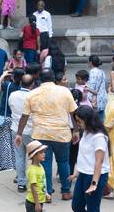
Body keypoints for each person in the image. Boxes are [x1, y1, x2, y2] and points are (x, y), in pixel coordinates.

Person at [15, 69, 77, 200]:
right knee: (64, 162)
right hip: (62, 133)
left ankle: (47, 192)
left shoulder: (32, 94)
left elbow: (24, 116)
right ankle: (66, 191)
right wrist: (76, 130)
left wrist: (19, 133)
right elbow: (73, 113)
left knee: (46, 163)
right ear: (54, 78)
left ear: (39, 79)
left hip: (41, 133)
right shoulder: (65, 91)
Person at [68, 106, 109, 212]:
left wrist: (94, 184)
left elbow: (98, 161)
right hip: (84, 174)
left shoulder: (99, 137)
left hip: (95, 176)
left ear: (88, 120)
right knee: (76, 205)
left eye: (79, 121)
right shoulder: (85, 132)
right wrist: (75, 173)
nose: (78, 124)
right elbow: (84, 156)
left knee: (92, 210)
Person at [9, 72, 36, 193]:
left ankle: (21, 183)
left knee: (19, 157)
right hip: (31, 131)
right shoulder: (34, 96)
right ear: (32, 84)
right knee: (35, 157)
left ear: (21, 83)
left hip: (16, 130)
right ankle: (34, 181)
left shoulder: (13, 95)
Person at [0, 70, 19, 172]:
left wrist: (3, 75)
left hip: (5, 116)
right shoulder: (21, 87)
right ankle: (13, 163)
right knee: (13, 142)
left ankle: (8, 165)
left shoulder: (8, 85)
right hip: (16, 118)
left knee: (4, 141)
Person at [24, 141, 49, 212]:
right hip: (33, 202)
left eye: (44, 152)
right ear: (34, 155)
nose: (44, 154)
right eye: (41, 152)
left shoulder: (40, 167)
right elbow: (33, 187)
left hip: (40, 200)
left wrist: (46, 193)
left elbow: (42, 183)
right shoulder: (32, 170)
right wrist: (37, 204)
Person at [87, 55, 108, 120]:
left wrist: (89, 98)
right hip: (102, 97)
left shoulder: (92, 72)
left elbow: (92, 86)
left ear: (90, 62)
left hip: (95, 99)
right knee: (101, 119)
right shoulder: (102, 72)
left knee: (94, 120)